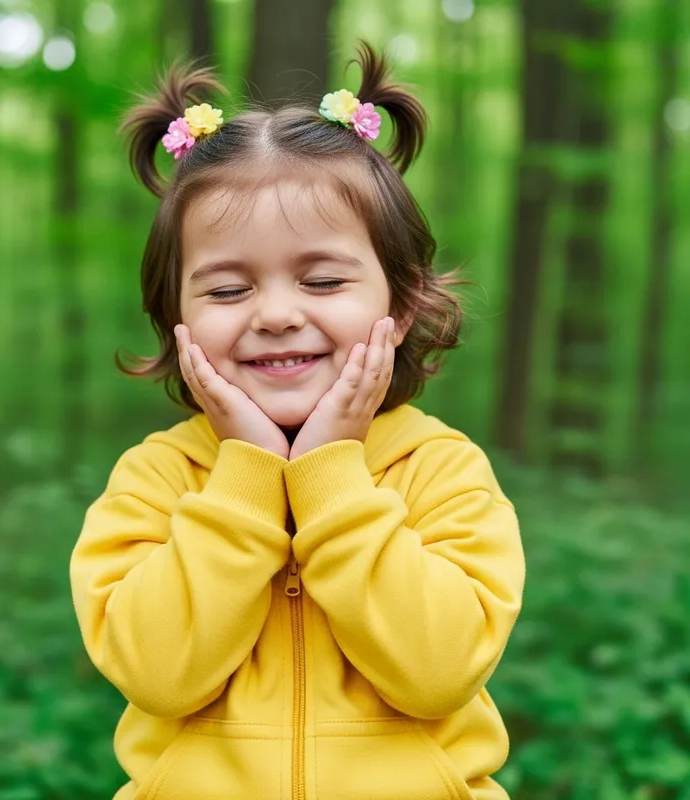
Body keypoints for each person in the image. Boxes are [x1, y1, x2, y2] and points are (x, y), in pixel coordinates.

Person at [70, 41, 526, 800]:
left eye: (321, 279)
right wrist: (245, 478)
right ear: (171, 316)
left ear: (402, 300)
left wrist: (332, 480)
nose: (277, 315)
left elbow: (439, 672)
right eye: (225, 290)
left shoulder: (441, 470)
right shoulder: (155, 479)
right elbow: (156, 674)